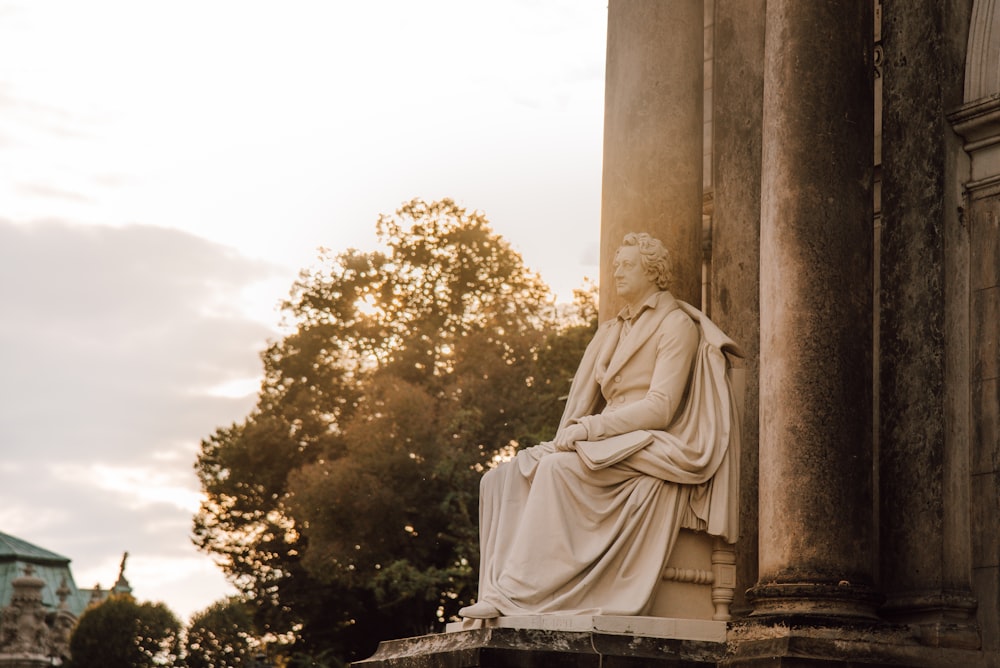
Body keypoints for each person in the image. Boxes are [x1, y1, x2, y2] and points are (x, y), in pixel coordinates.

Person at [458, 232, 742, 619]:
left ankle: (518, 596)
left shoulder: (676, 325)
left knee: (557, 470)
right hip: (609, 439)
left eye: (627, 266)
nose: (617, 273)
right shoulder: (612, 329)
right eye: (615, 265)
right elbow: (583, 402)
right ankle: (501, 592)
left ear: (654, 272)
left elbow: (660, 407)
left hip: (650, 441)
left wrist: (591, 430)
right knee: (501, 477)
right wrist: (571, 433)